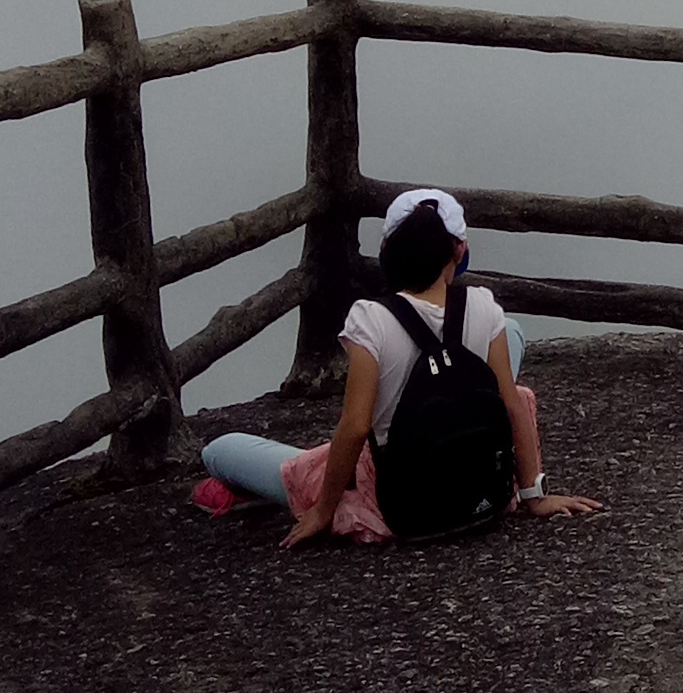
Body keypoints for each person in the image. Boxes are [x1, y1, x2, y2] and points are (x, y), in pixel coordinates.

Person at [193, 187, 598, 545]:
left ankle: (273, 477)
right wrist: (534, 495)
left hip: (400, 500)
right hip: (480, 489)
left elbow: (355, 428)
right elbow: (511, 404)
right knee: (508, 332)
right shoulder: (482, 306)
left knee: (220, 452)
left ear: (389, 252)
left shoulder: (371, 320)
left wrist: (322, 509)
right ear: (458, 251)